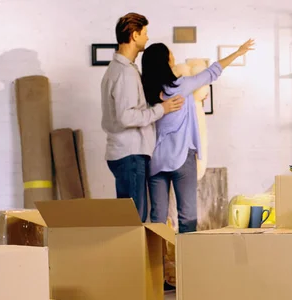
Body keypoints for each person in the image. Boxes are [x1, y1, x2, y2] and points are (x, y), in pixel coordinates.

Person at [141, 39, 255, 233]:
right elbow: (212, 72)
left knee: (157, 219)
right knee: (187, 216)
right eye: (170, 55)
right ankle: (187, 260)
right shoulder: (181, 86)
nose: (174, 57)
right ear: (165, 61)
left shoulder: (145, 93)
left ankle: (154, 261)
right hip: (181, 157)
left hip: (156, 160)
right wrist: (237, 53)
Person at [101, 12, 185, 222]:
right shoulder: (125, 73)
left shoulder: (120, 69)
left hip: (124, 152)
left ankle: (129, 255)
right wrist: (162, 109)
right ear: (134, 34)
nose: (147, 38)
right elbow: (126, 117)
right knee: (134, 219)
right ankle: (132, 256)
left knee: (130, 217)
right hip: (130, 153)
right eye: (145, 33)